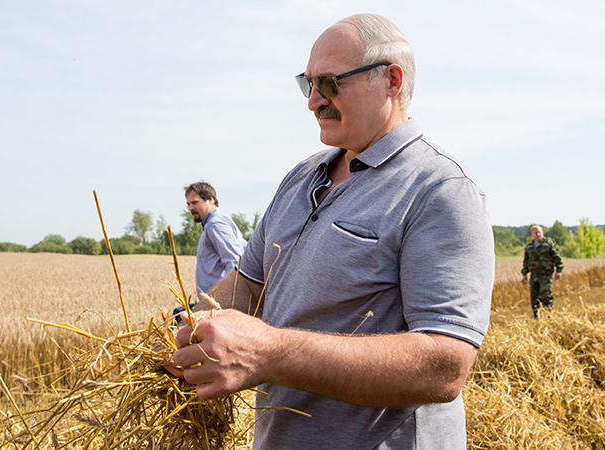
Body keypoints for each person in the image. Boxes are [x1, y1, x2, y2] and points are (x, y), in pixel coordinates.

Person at [169, 14, 495, 449]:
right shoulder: (300, 178)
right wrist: (186, 326)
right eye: (308, 84)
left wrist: (269, 353)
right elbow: (249, 284)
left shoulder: (439, 189)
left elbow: (444, 367)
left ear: (391, 81)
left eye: (329, 83)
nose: (313, 101)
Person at [185, 181, 247, 296]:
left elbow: (234, 262)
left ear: (211, 199)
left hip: (220, 304)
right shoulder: (212, 224)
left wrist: (226, 299)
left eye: (195, 202)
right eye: (188, 204)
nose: (191, 208)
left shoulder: (216, 224)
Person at [521, 225, 564, 318]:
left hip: (546, 276)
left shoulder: (548, 243)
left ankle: (550, 316)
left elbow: (557, 257)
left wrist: (559, 270)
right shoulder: (529, 247)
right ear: (532, 234)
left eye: (539, 232)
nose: (538, 234)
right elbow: (526, 262)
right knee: (534, 298)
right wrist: (524, 275)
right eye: (535, 232)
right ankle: (537, 317)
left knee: (545, 296)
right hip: (534, 276)